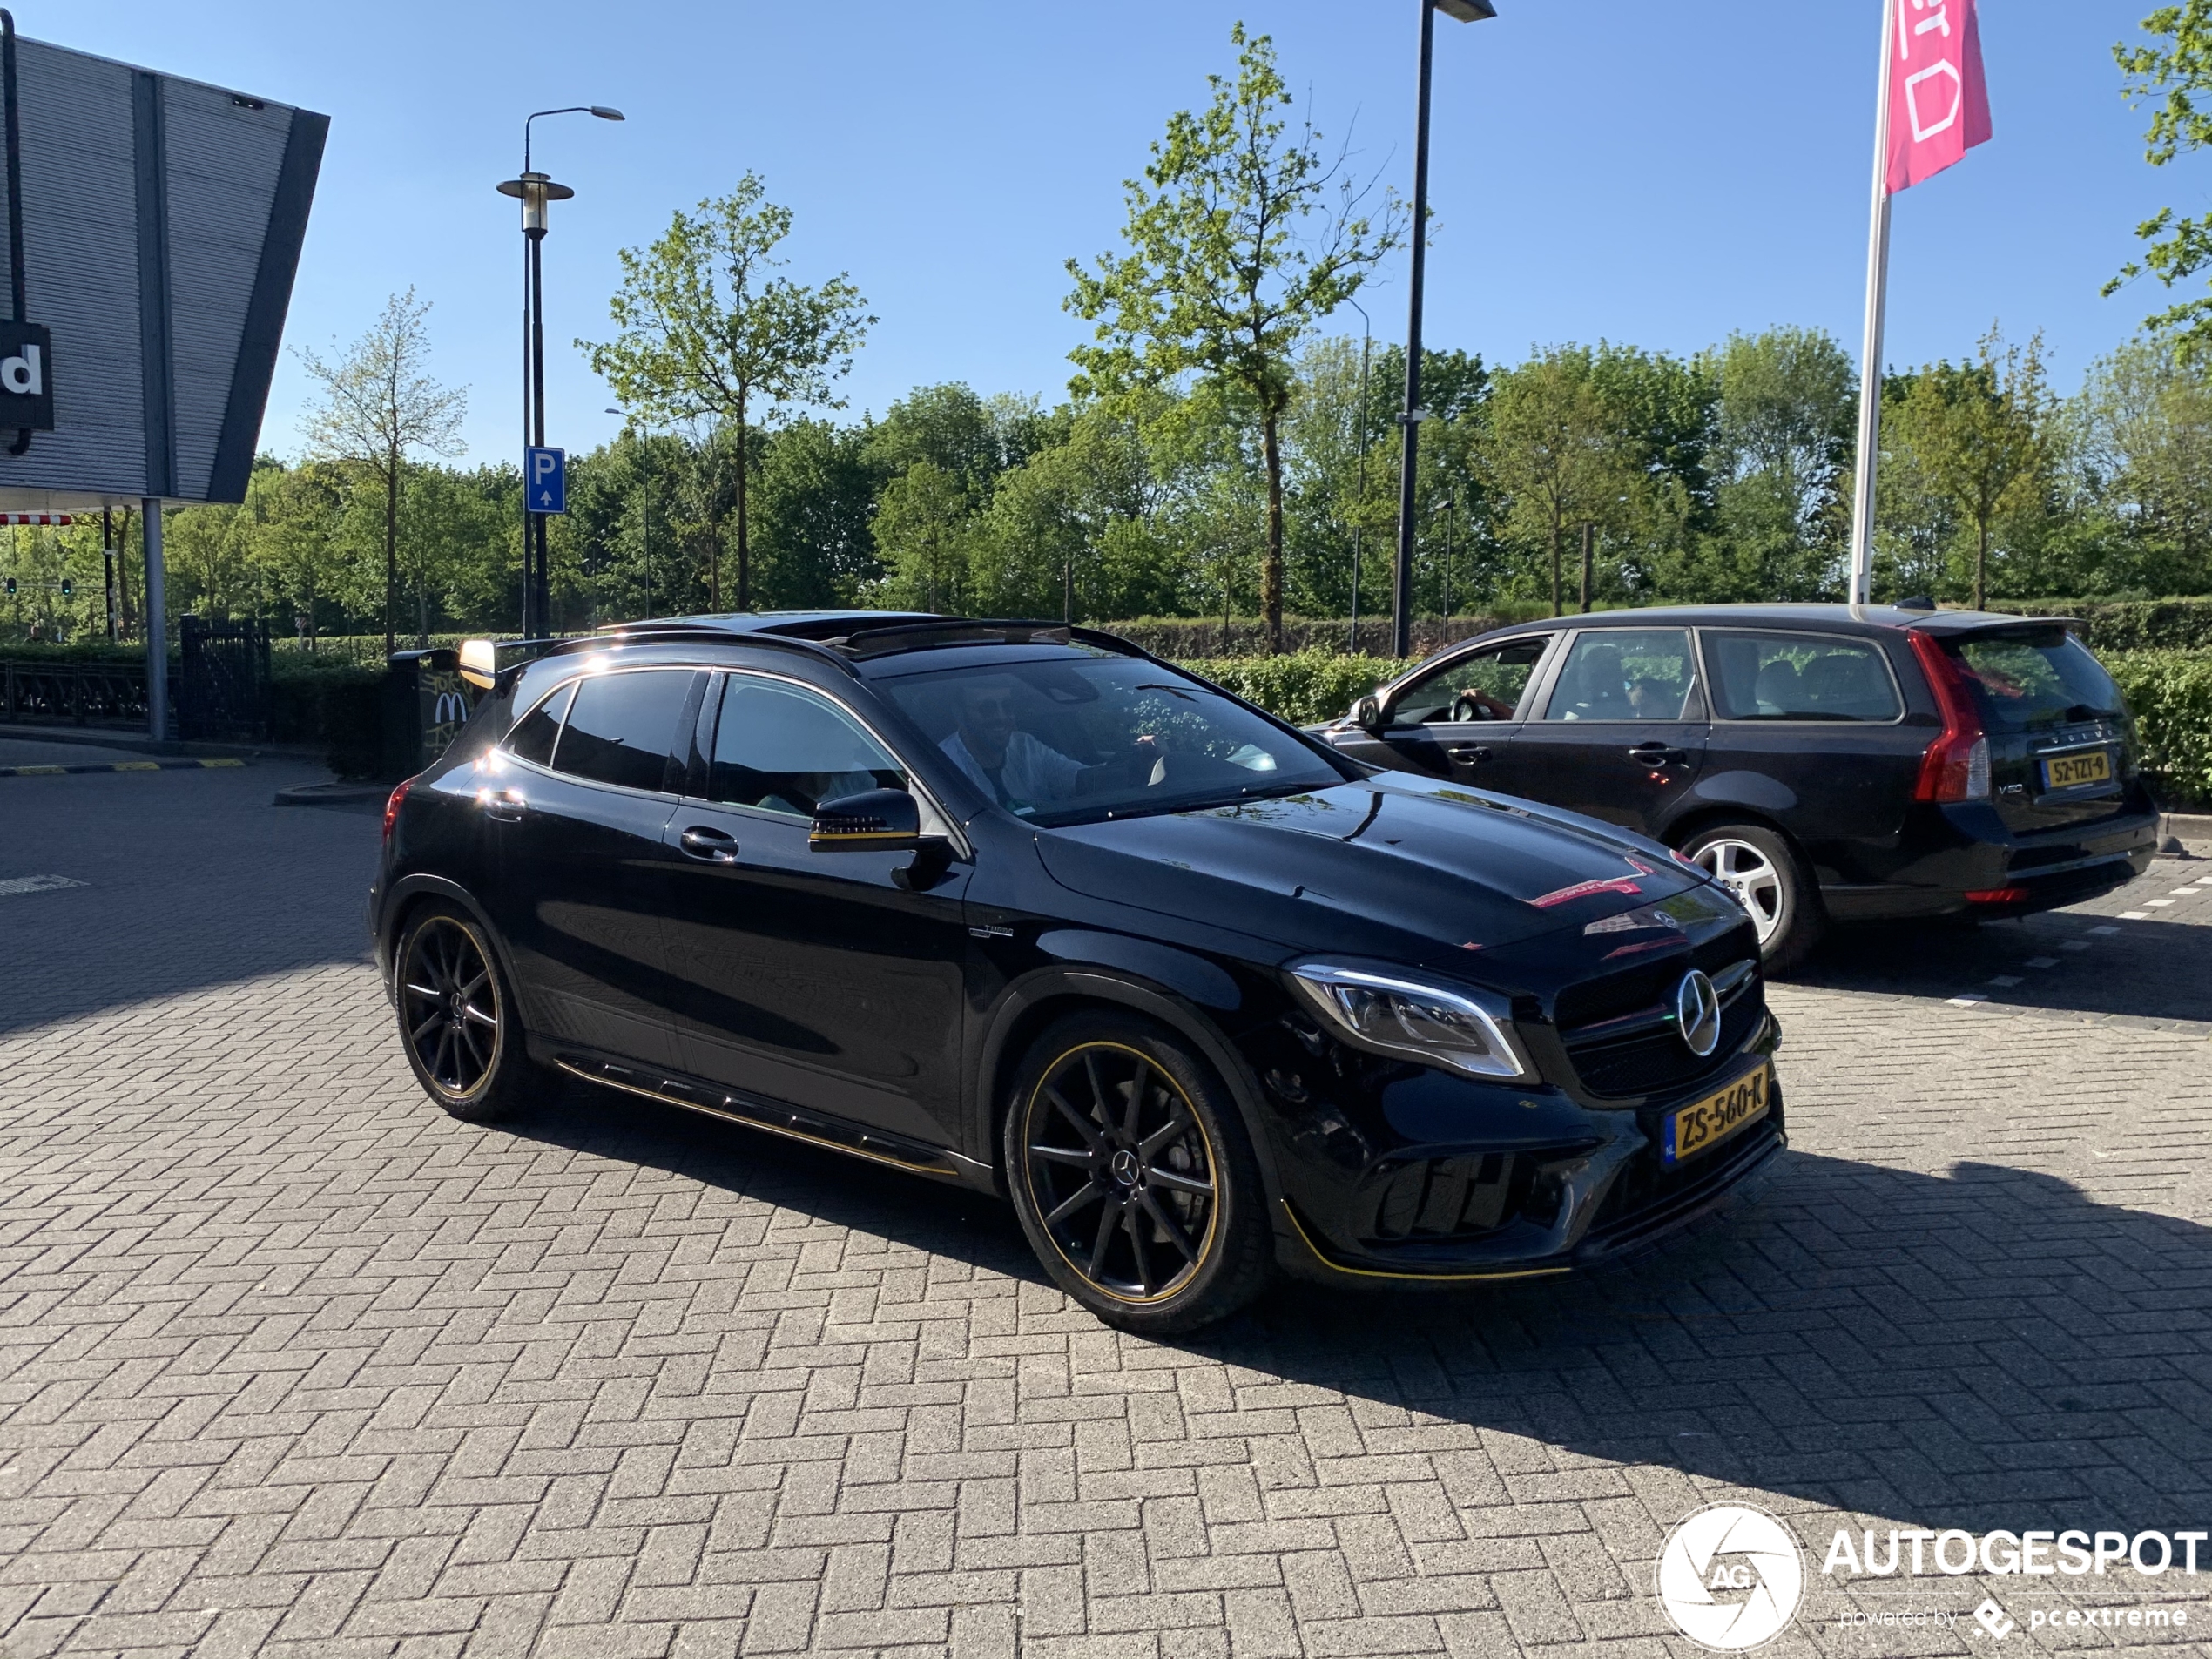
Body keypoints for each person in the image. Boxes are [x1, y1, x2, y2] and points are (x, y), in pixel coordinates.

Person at [940, 677, 1090, 812]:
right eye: (987, 708)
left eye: (1007, 706)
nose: (1001, 716)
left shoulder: (1026, 746)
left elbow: (1080, 778)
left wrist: (1110, 773)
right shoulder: (944, 765)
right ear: (960, 716)